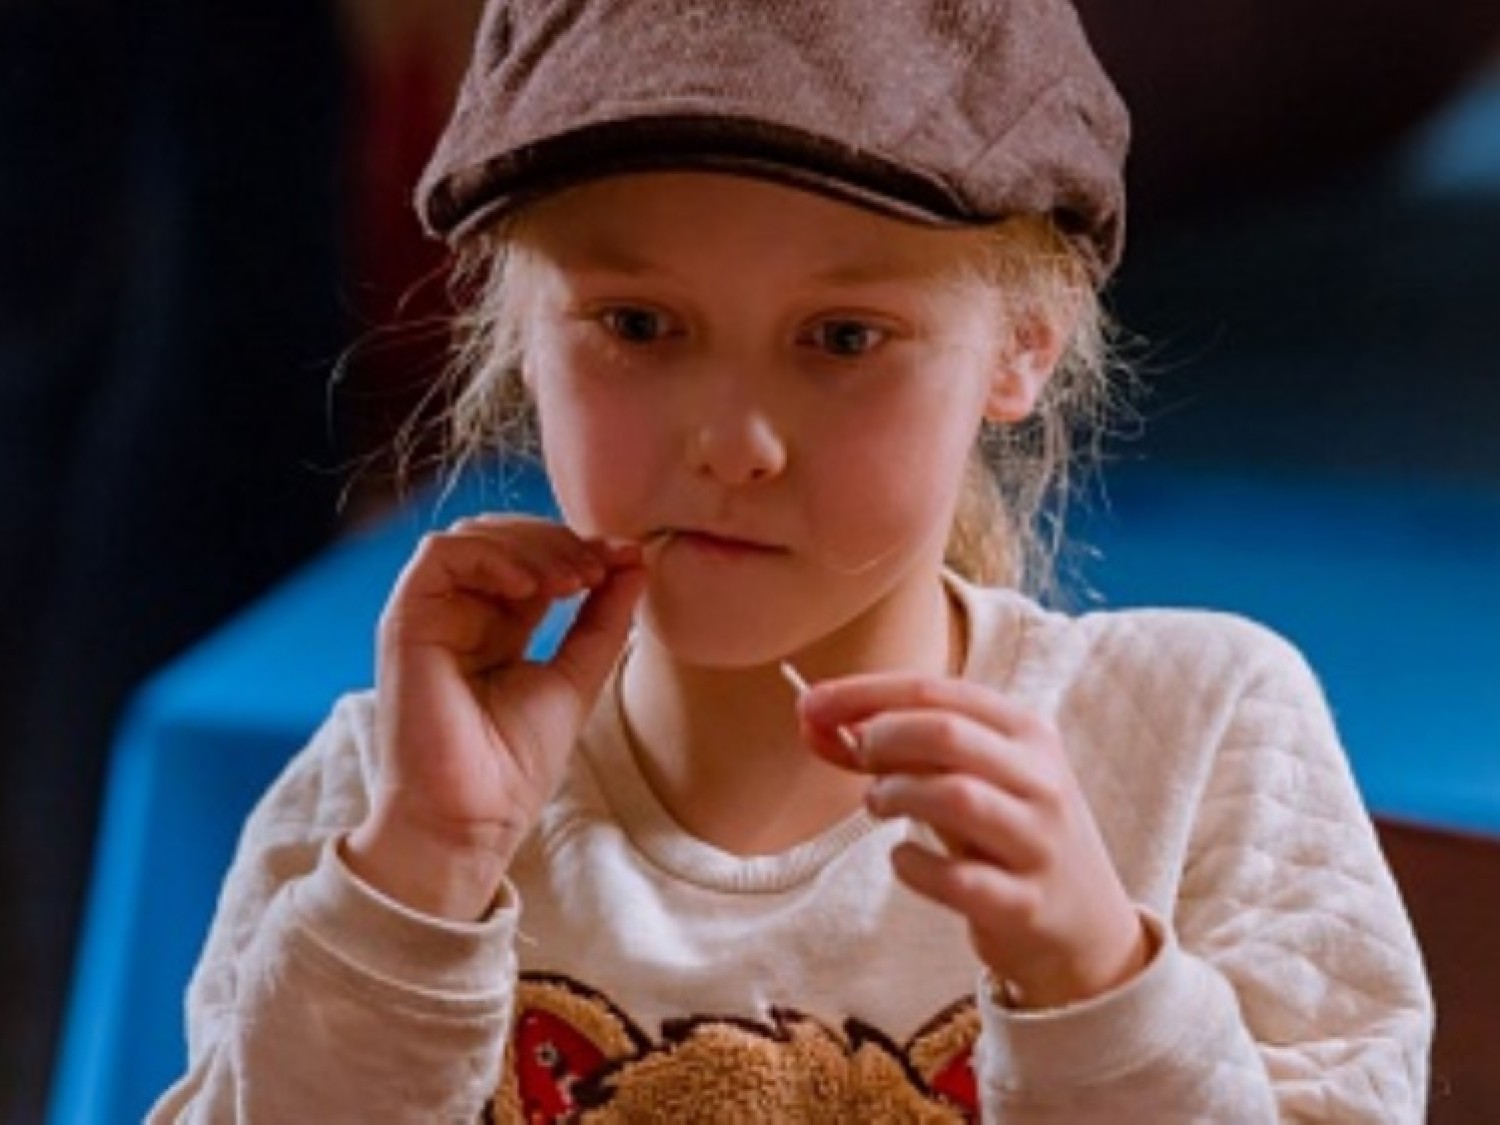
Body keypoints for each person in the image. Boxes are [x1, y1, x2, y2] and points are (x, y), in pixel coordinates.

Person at [151, 0, 1432, 1120]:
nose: (733, 443)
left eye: (843, 337)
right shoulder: (381, 799)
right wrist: (420, 879)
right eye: (637, 324)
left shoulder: (1199, 740)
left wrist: (1100, 989)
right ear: (516, 331)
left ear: (1024, 344)